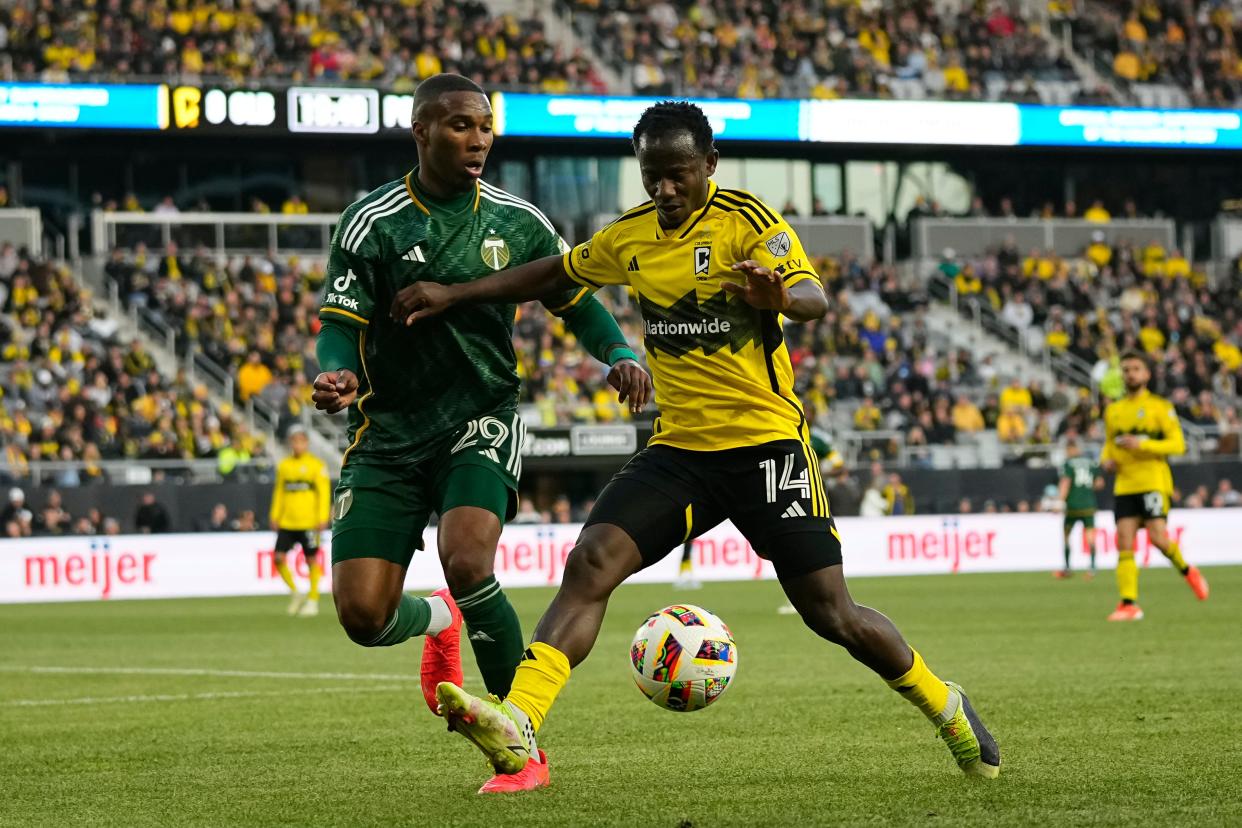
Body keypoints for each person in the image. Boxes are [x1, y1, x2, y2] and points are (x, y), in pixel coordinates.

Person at [392, 101, 1000, 788]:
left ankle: (943, 703)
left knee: (833, 615)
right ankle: (521, 722)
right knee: (591, 562)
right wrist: (459, 294)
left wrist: (778, 297)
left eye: (679, 174)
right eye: (653, 175)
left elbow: (812, 297)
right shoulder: (633, 236)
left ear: (709, 164)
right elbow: (555, 275)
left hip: (766, 448)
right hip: (681, 451)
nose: (666, 190)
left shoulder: (749, 221)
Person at [310, 74, 650, 793]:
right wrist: (338, 374)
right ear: (422, 133)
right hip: (388, 433)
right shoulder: (371, 221)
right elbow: (340, 326)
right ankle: (435, 621)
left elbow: (573, 297)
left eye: (485, 127)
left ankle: (522, 746)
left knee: (466, 558)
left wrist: (618, 351)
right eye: (462, 126)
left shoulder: (517, 220)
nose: (478, 140)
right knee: (362, 616)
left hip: (480, 417)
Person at [1101, 351, 1209, 621]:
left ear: (1147, 374)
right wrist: (1107, 461)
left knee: (1158, 538)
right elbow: (1108, 445)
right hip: (1124, 484)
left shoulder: (1160, 407)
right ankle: (1128, 604)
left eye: (1136, 369)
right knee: (1124, 540)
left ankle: (1188, 571)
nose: (1130, 374)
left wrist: (1144, 444)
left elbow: (1178, 444)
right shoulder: (1113, 410)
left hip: (1152, 480)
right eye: (1126, 369)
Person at [270, 426, 331, 617]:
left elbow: (323, 493)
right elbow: (279, 491)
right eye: (294, 441)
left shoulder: (316, 465)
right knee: (278, 558)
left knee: (312, 559)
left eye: (300, 441)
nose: (297, 445)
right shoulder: (284, 465)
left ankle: (313, 600)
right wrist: (275, 514)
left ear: (306, 443)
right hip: (288, 522)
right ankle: (296, 594)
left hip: (309, 523)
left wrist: (322, 517)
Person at [1056, 438, 1104, 579]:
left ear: (1071, 449)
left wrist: (1060, 501)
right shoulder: (1091, 463)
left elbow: (1065, 483)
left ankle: (1067, 568)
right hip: (1089, 505)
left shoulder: (1068, 464)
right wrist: (1087, 490)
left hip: (1073, 505)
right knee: (1090, 537)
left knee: (1066, 535)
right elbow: (1100, 483)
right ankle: (1093, 568)